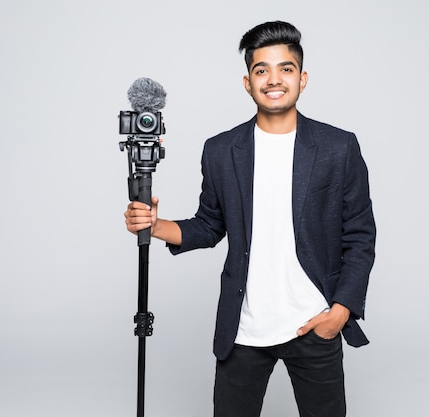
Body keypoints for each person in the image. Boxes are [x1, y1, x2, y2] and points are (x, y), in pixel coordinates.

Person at [124, 20, 376, 417]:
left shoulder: (338, 147)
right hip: (243, 326)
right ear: (248, 82)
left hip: (315, 322)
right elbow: (209, 226)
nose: (273, 79)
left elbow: (360, 237)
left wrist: (341, 311)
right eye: (262, 70)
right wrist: (154, 226)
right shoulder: (222, 150)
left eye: (285, 69)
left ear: (302, 78)